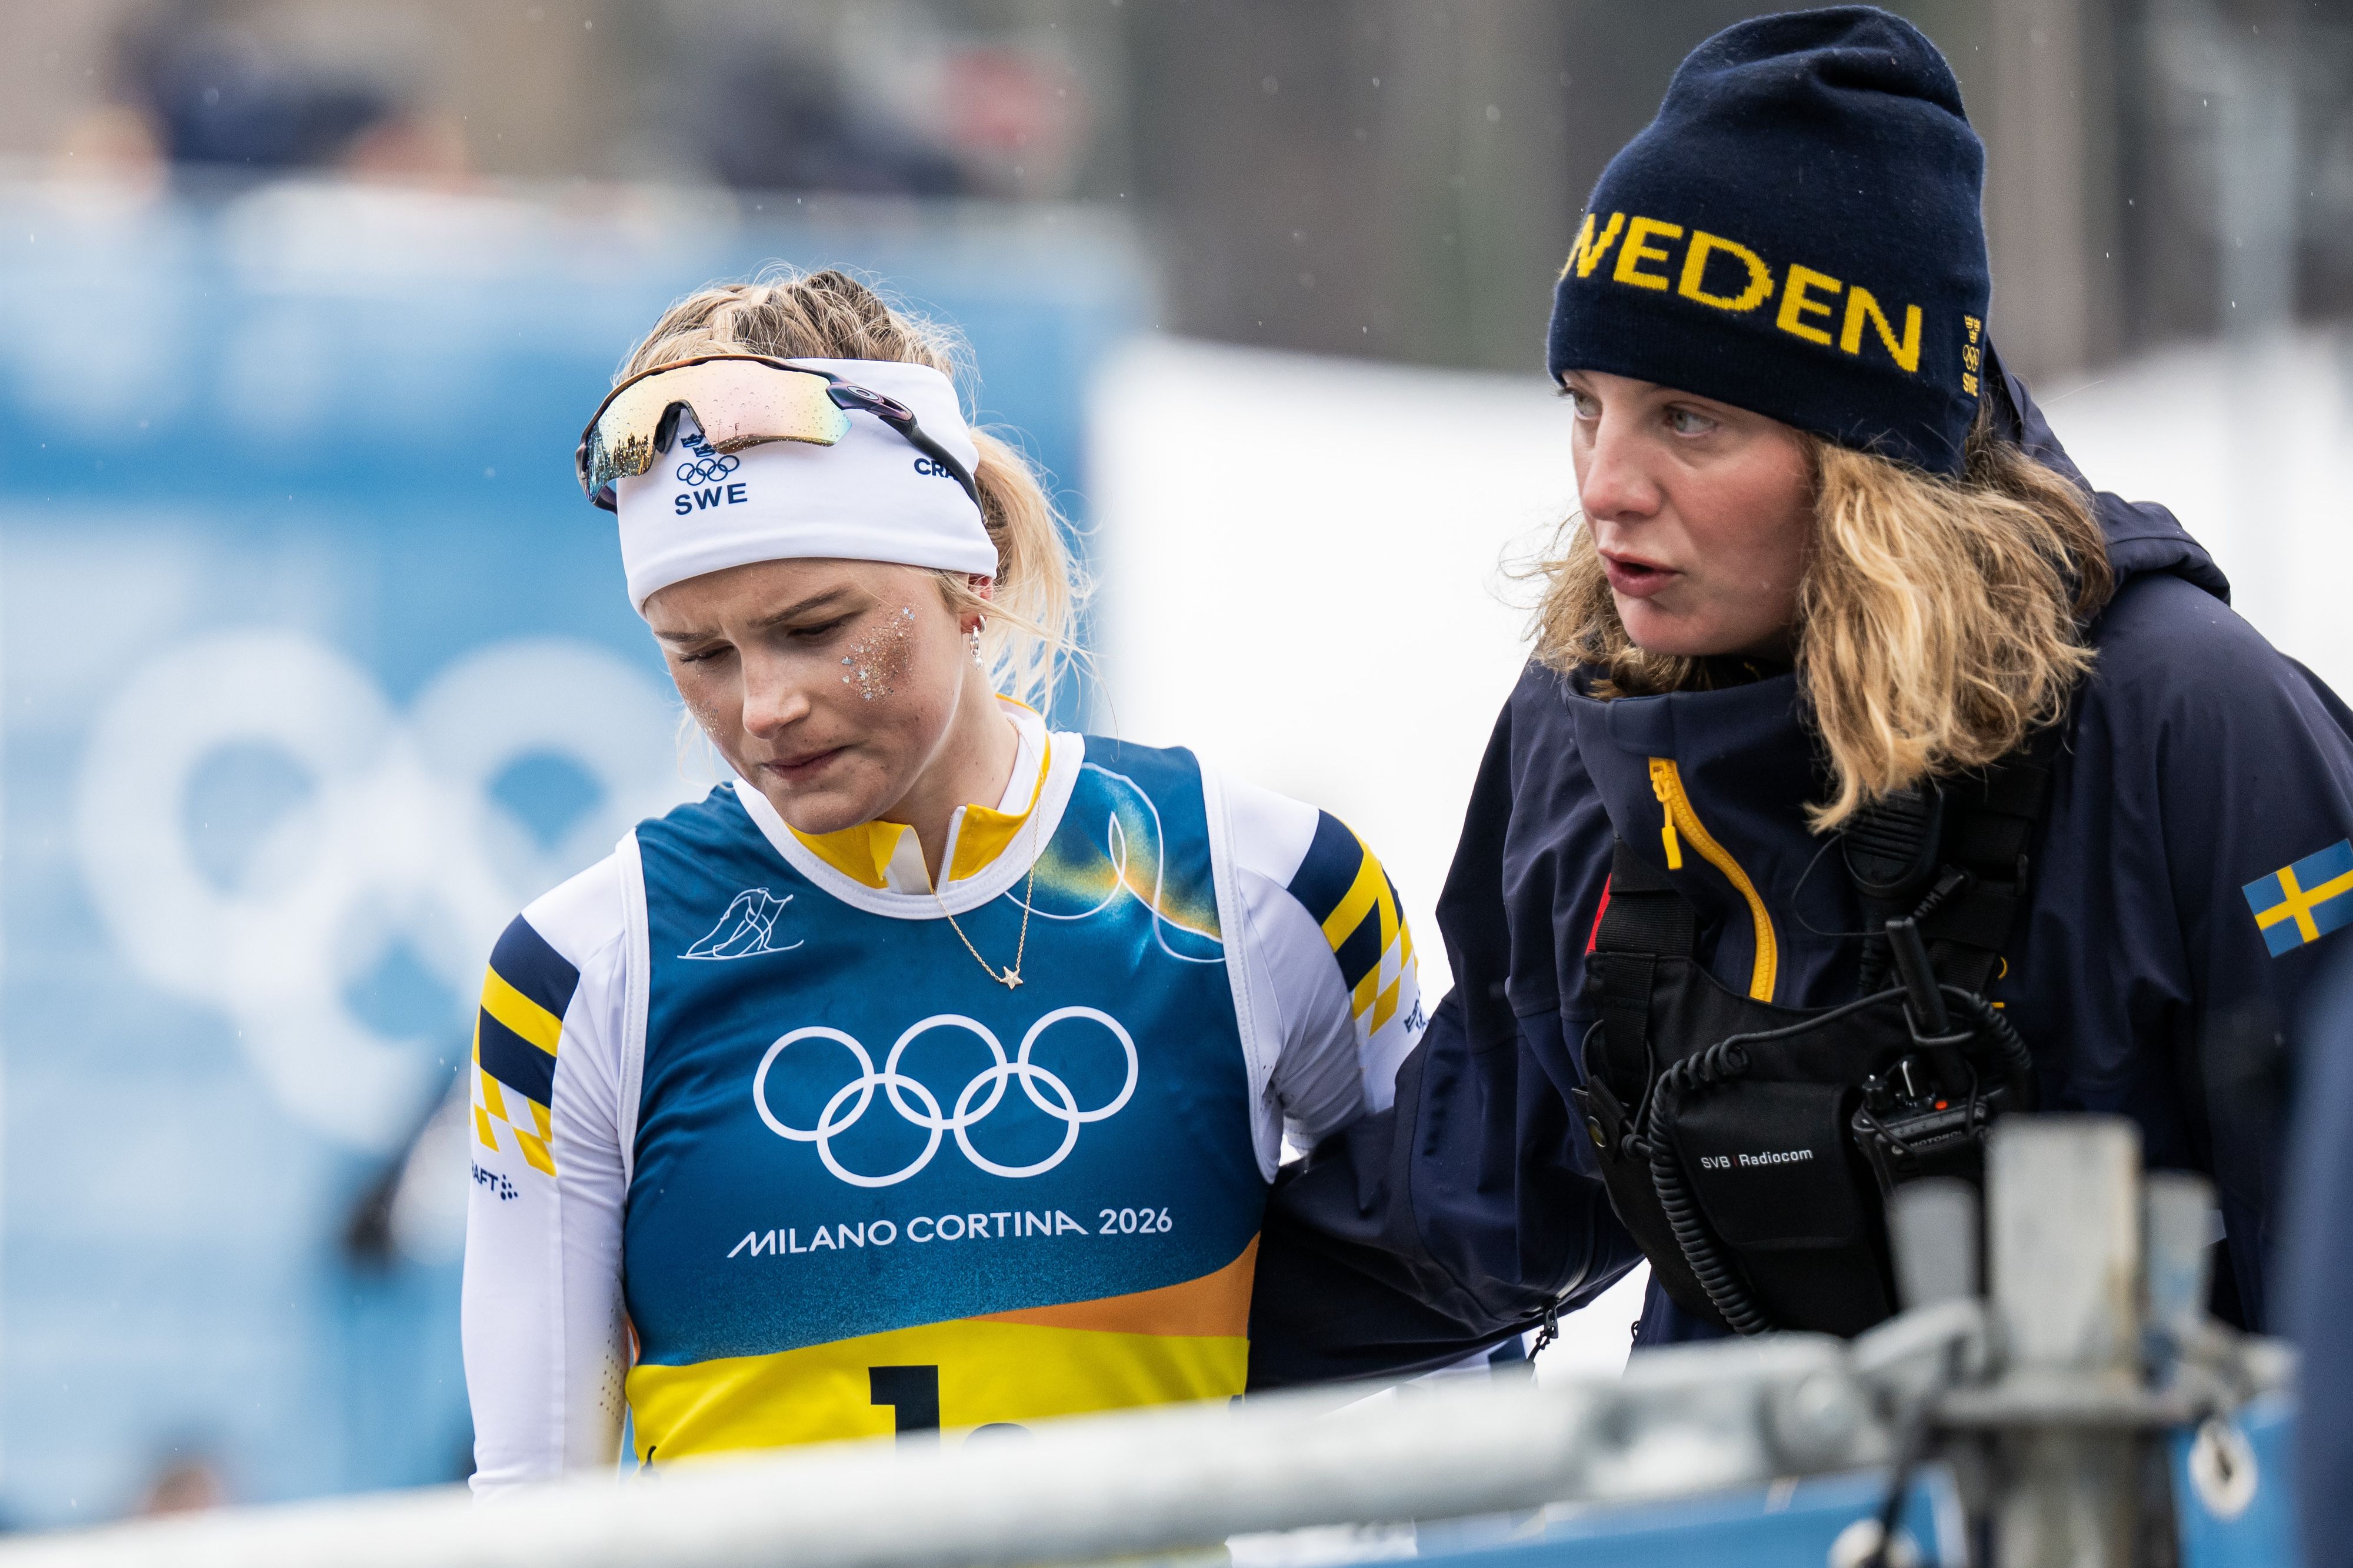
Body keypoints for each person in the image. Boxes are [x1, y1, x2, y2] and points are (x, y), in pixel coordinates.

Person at [1247, 6, 2351, 1384]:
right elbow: (1466, 1204)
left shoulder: (2189, 723)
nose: (1603, 483)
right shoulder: (1589, 717)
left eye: (1686, 417)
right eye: (1586, 401)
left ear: (1866, 460)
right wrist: (1074, 1326)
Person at [460, 271, 1427, 1490]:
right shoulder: (581, 968)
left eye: (816, 626)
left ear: (970, 576)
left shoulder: (1265, 887)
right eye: (698, 653)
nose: (763, 706)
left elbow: (1453, 1373)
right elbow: (530, 1500)